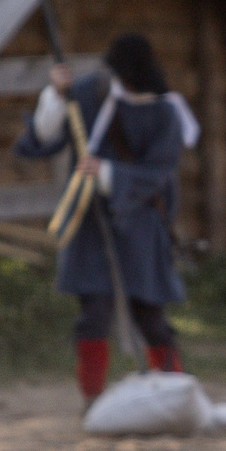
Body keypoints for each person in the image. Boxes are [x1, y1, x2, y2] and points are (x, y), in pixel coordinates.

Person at [14, 33, 198, 408]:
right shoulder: (89, 94)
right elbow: (43, 138)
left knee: (150, 314)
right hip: (91, 221)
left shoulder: (165, 112)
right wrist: (56, 96)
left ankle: (174, 394)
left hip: (142, 222)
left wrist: (109, 173)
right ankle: (92, 398)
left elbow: (159, 173)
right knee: (94, 313)